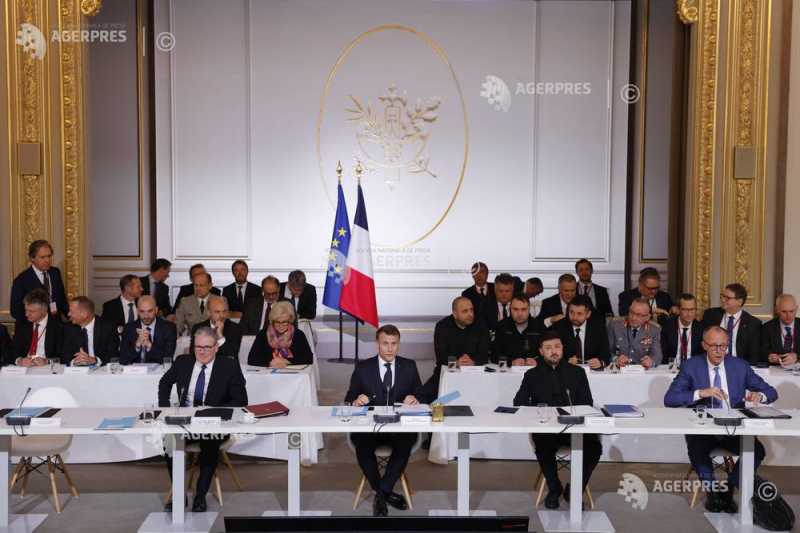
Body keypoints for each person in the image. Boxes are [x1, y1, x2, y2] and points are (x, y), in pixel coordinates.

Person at [664, 326, 777, 513]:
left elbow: (771, 392)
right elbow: (670, 399)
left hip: (733, 427)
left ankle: (729, 488)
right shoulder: (692, 366)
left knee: (757, 450)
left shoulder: (739, 366)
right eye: (714, 346)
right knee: (698, 451)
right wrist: (701, 393)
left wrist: (760, 396)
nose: (719, 351)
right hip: (703, 428)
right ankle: (713, 493)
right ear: (704, 345)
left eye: (723, 346)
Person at [158, 327, 248, 512]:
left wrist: (212, 411)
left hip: (214, 423)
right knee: (169, 442)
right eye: (198, 347)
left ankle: (200, 496)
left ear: (216, 347)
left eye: (207, 347)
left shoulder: (229, 366)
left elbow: (240, 400)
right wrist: (165, 408)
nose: (202, 351)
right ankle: (180, 495)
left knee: (210, 442)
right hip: (184, 422)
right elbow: (164, 383)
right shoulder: (183, 362)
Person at [513, 331, 601, 510]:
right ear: (541, 351)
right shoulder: (531, 375)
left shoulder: (577, 372)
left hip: (574, 428)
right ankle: (554, 489)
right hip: (546, 429)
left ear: (562, 348)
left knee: (594, 447)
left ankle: (574, 491)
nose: (554, 351)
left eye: (557, 347)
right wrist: (539, 412)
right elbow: (519, 403)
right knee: (542, 445)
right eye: (548, 348)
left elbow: (587, 403)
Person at [345, 325, 422, 516]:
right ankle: (385, 493)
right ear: (377, 344)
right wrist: (356, 400)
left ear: (399, 344)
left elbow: (420, 394)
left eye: (394, 344)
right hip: (369, 429)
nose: (389, 348)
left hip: (399, 429)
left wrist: (414, 398)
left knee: (405, 444)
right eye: (385, 343)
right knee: (362, 445)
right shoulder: (363, 367)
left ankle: (381, 494)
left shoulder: (409, 366)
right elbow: (349, 397)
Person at [418, 297, 489, 402]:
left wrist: (473, 361)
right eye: (465, 311)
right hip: (446, 373)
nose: (470, 314)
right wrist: (456, 362)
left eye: (471, 310)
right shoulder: (442, 326)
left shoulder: (481, 325)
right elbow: (441, 356)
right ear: (455, 314)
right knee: (421, 398)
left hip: (474, 373)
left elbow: (484, 353)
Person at [701, 283, 762, 364]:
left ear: (739, 301)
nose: (723, 300)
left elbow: (754, 355)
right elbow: (703, 342)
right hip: (712, 363)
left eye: (727, 298)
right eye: (722, 296)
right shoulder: (710, 315)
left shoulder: (753, 323)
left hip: (739, 365)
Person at [10, 240, 68, 323]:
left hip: (55, 325)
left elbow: (62, 300)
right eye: (43, 257)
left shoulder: (55, 273)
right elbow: (15, 311)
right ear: (32, 258)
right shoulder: (21, 280)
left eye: (49, 256)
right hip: (33, 326)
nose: (47, 260)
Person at [247, 301, 313, 367]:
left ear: (290, 320)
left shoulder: (298, 335)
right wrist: (270, 362)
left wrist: (287, 361)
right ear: (272, 321)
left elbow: (309, 358)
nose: (280, 325)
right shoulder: (262, 334)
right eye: (277, 322)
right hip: (267, 372)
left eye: (284, 322)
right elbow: (251, 359)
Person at [9, 289, 65, 366]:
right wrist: (19, 360)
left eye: (31, 311)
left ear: (44, 310)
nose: (26, 314)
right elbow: (12, 351)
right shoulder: (22, 325)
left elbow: (63, 356)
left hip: (47, 368)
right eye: (26, 310)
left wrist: (47, 361)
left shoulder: (58, 327)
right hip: (24, 368)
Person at [555, 295, 610, 370]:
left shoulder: (598, 328)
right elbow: (552, 356)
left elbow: (606, 355)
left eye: (579, 314)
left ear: (588, 314)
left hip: (592, 372)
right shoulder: (559, 327)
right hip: (567, 372)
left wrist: (601, 362)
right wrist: (565, 362)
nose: (574, 317)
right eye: (571, 312)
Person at [120, 296, 177, 364]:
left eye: (150, 311)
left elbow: (167, 359)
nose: (146, 316)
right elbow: (123, 359)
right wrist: (137, 346)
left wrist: (149, 346)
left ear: (156, 310)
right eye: (142, 311)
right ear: (137, 311)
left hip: (160, 370)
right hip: (134, 370)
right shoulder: (129, 328)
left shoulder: (168, 328)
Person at [607, 297, 663, 368]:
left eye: (639, 315)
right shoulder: (615, 325)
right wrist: (616, 359)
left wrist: (651, 361)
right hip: (619, 370)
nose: (633, 318)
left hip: (642, 371)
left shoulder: (654, 329)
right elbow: (607, 351)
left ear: (647, 317)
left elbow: (657, 355)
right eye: (631, 312)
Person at [62, 296, 118, 366]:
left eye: (72, 311)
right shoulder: (69, 328)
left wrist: (95, 360)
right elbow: (64, 355)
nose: (68, 314)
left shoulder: (107, 327)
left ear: (84, 314)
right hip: (78, 370)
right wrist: (75, 361)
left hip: (101, 370)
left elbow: (113, 354)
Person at [189, 295, 243, 360]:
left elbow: (231, 354)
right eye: (217, 312)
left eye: (224, 311)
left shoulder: (235, 329)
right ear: (208, 312)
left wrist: (220, 336)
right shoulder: (198, 328)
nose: (221, 315)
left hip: (226, 365)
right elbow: (193, 353)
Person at [493, 295, 541, 366]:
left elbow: (547, 352)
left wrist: (537, 361)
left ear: (529, 309)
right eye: (515, 309)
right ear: (510, 309)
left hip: (534, 368)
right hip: (509, 369)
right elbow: (494, 355)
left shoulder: (539, 326)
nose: (519, 314)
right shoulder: (501, 326)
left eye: (523, 309)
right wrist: (511, 362)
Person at [661, 293, 704, 366]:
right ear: (678, 310)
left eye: (692, 309)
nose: (689, 314)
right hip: (671, 367)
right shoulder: (668, 327)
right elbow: (663, 352)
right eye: (685, 310)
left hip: (693, 367)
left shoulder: (701, 329)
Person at [761, 294, 799, 367]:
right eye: (784, 311)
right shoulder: (767, 327)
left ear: (796, 309)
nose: (788, 315)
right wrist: (769, 357)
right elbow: (761, 351)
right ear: (777, 310)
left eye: (791, 311)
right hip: (776, 368)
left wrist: (797, 356)